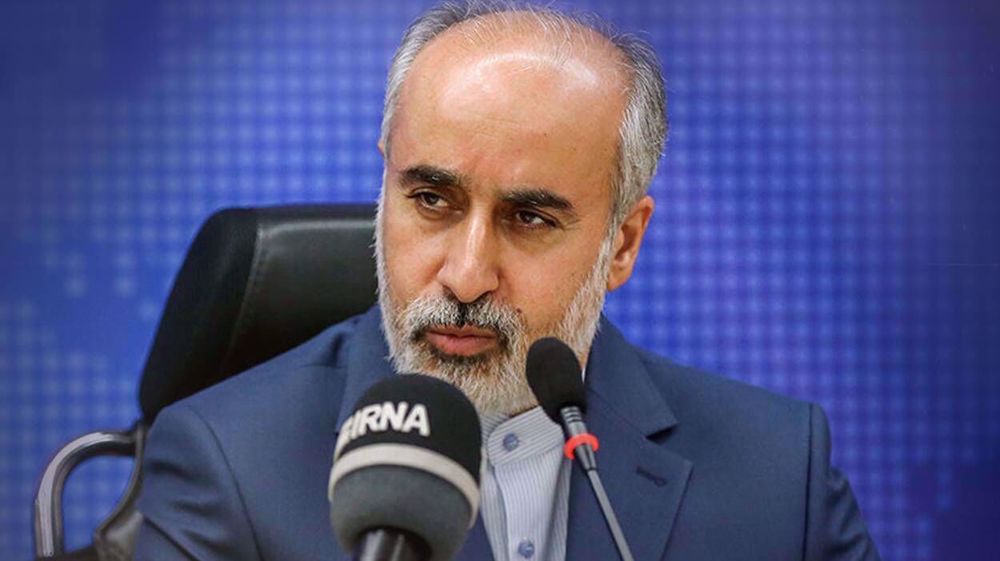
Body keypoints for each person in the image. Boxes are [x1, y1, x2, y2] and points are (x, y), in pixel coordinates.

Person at [136, 2, 881, 560]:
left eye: (527, 218)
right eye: (431, 200)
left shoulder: (782, 477)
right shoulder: (226, 463)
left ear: (622, 243)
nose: (464, 277)